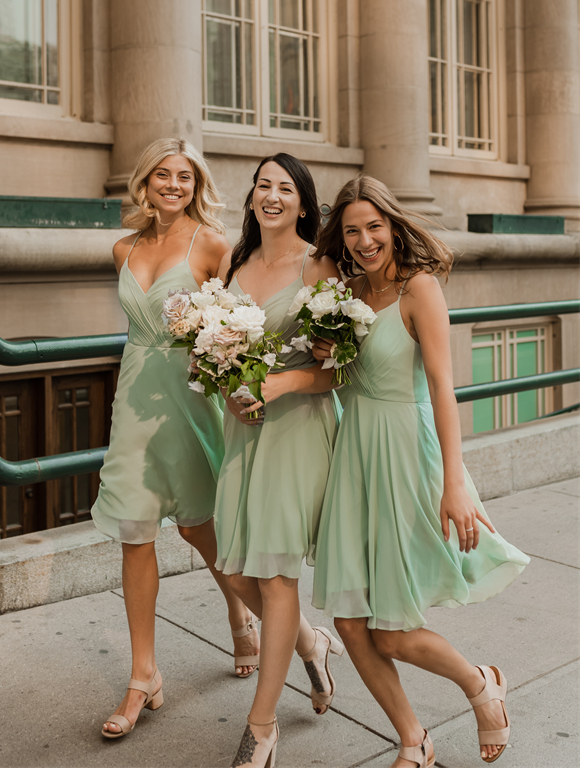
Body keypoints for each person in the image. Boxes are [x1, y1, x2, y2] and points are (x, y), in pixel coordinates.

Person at [311, 175, 530, 767]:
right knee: (351, 624)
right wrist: (324, 355)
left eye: (373, 227)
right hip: (353, 456)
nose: (363, 240)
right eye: (352, 230)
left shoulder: (419, 288)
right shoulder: (343, 293)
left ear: (393, 225)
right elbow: (335, 378)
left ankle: (481, 684)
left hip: (407, 455)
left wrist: (454, 481)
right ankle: (414, 738)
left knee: (391, 628)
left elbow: (442, 388)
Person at [91, 138, 259, 740]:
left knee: (198, 526)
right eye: (162, 174)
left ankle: (243, 616)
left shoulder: (213, 244)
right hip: (135, 395)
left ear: (197, 185)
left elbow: (239, 324)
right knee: (135, 532)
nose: (173, 184)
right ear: (145, 183)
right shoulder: (123, 247)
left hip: (189, 399)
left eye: (184, 177)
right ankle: (144, 676)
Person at [215, 154, 344, 768]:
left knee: (273, 575)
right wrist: (227, 392)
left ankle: (261, 729)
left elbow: (339, 371)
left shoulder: (319, 264)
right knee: (235, 567)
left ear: (302, 202)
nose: (271, 196)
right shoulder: (231, 263)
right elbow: (210, 351)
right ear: (251, 198)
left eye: (284, 188)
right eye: (263, 185)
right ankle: (311, 645)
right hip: (241, 430)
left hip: (296, 428)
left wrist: (279, 386)